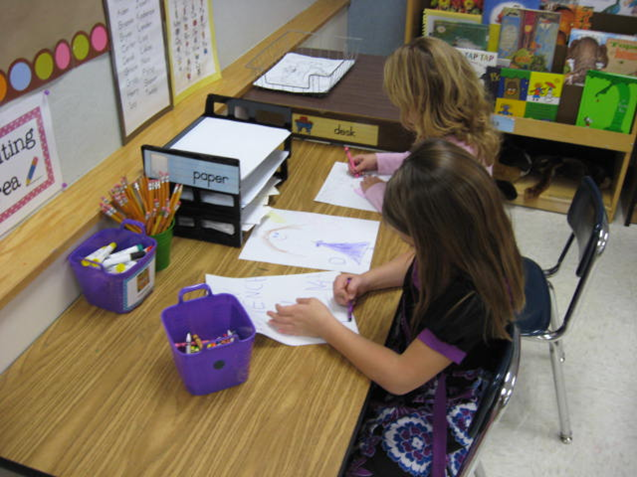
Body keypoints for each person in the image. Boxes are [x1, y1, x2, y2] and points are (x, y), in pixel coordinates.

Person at [267, 139, 525, 477]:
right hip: (417, 360)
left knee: (320, 443)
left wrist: (326, 327)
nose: (410, 246)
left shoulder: (468, 299)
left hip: (435, 398)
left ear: (439, 235)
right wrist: (367, 280)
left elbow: (401, 378)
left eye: (410, 238)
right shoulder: (465, 241)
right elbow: (414, 261)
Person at [350, 37, 501, 212]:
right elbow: (418, 162)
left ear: (422, 105)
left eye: (404, 105)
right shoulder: (466, 133)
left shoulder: (448, 164)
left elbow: (410, 214)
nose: (402, 112)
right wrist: (379, 161)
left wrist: (376, 189)